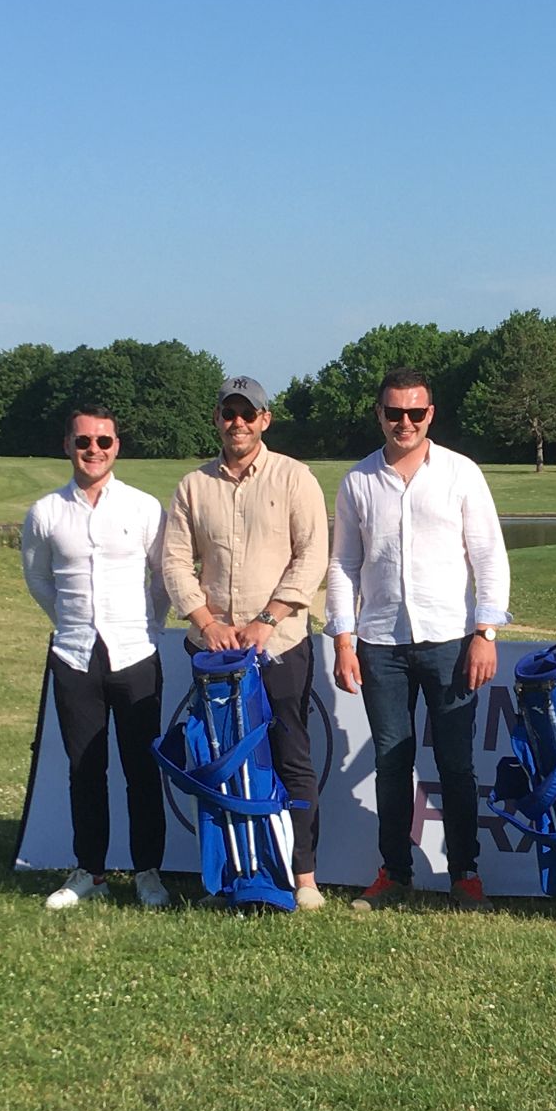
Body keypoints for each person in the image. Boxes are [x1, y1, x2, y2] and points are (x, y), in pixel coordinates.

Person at [326, 366, 511, 912]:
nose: (404, 422)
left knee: (455, 764)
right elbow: (343, 564)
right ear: (379, 414)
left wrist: (486, 631)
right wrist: (342, 637)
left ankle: (465, 874)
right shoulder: (358, 481)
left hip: (451, 639)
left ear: (430, 414)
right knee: (391, 762)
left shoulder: (460, 472)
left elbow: (488, 555)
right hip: (380, 643)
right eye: (394, 412)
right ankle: (395, 873)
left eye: (415, 412)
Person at [161, 376, 330, 910]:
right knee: (220, 761)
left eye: (247, 413)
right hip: (214, 652)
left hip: (279, 644)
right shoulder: (193, 486)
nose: (238, 422)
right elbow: (174, 562)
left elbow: (312, 555)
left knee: (291, 756)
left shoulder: (294, 477)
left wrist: (266, 619)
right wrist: (206, 622)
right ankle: (233, 875)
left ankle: (303, 877)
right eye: (229, 413)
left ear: (264, 419)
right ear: (217, 419)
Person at [21, 406, 171, 911]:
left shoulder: (143, 507)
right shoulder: (45, 512)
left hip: (135, 654)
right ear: (68, 445)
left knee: (141, 769)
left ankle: (148, 871)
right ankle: (90, 871)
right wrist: (70, 621)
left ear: (116, 446)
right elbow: (38, 579)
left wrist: (149, 625)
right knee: (85, 769)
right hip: (74, 657)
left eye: (103, 441)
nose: (93, 450)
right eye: (83, 440)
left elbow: (163, 576)